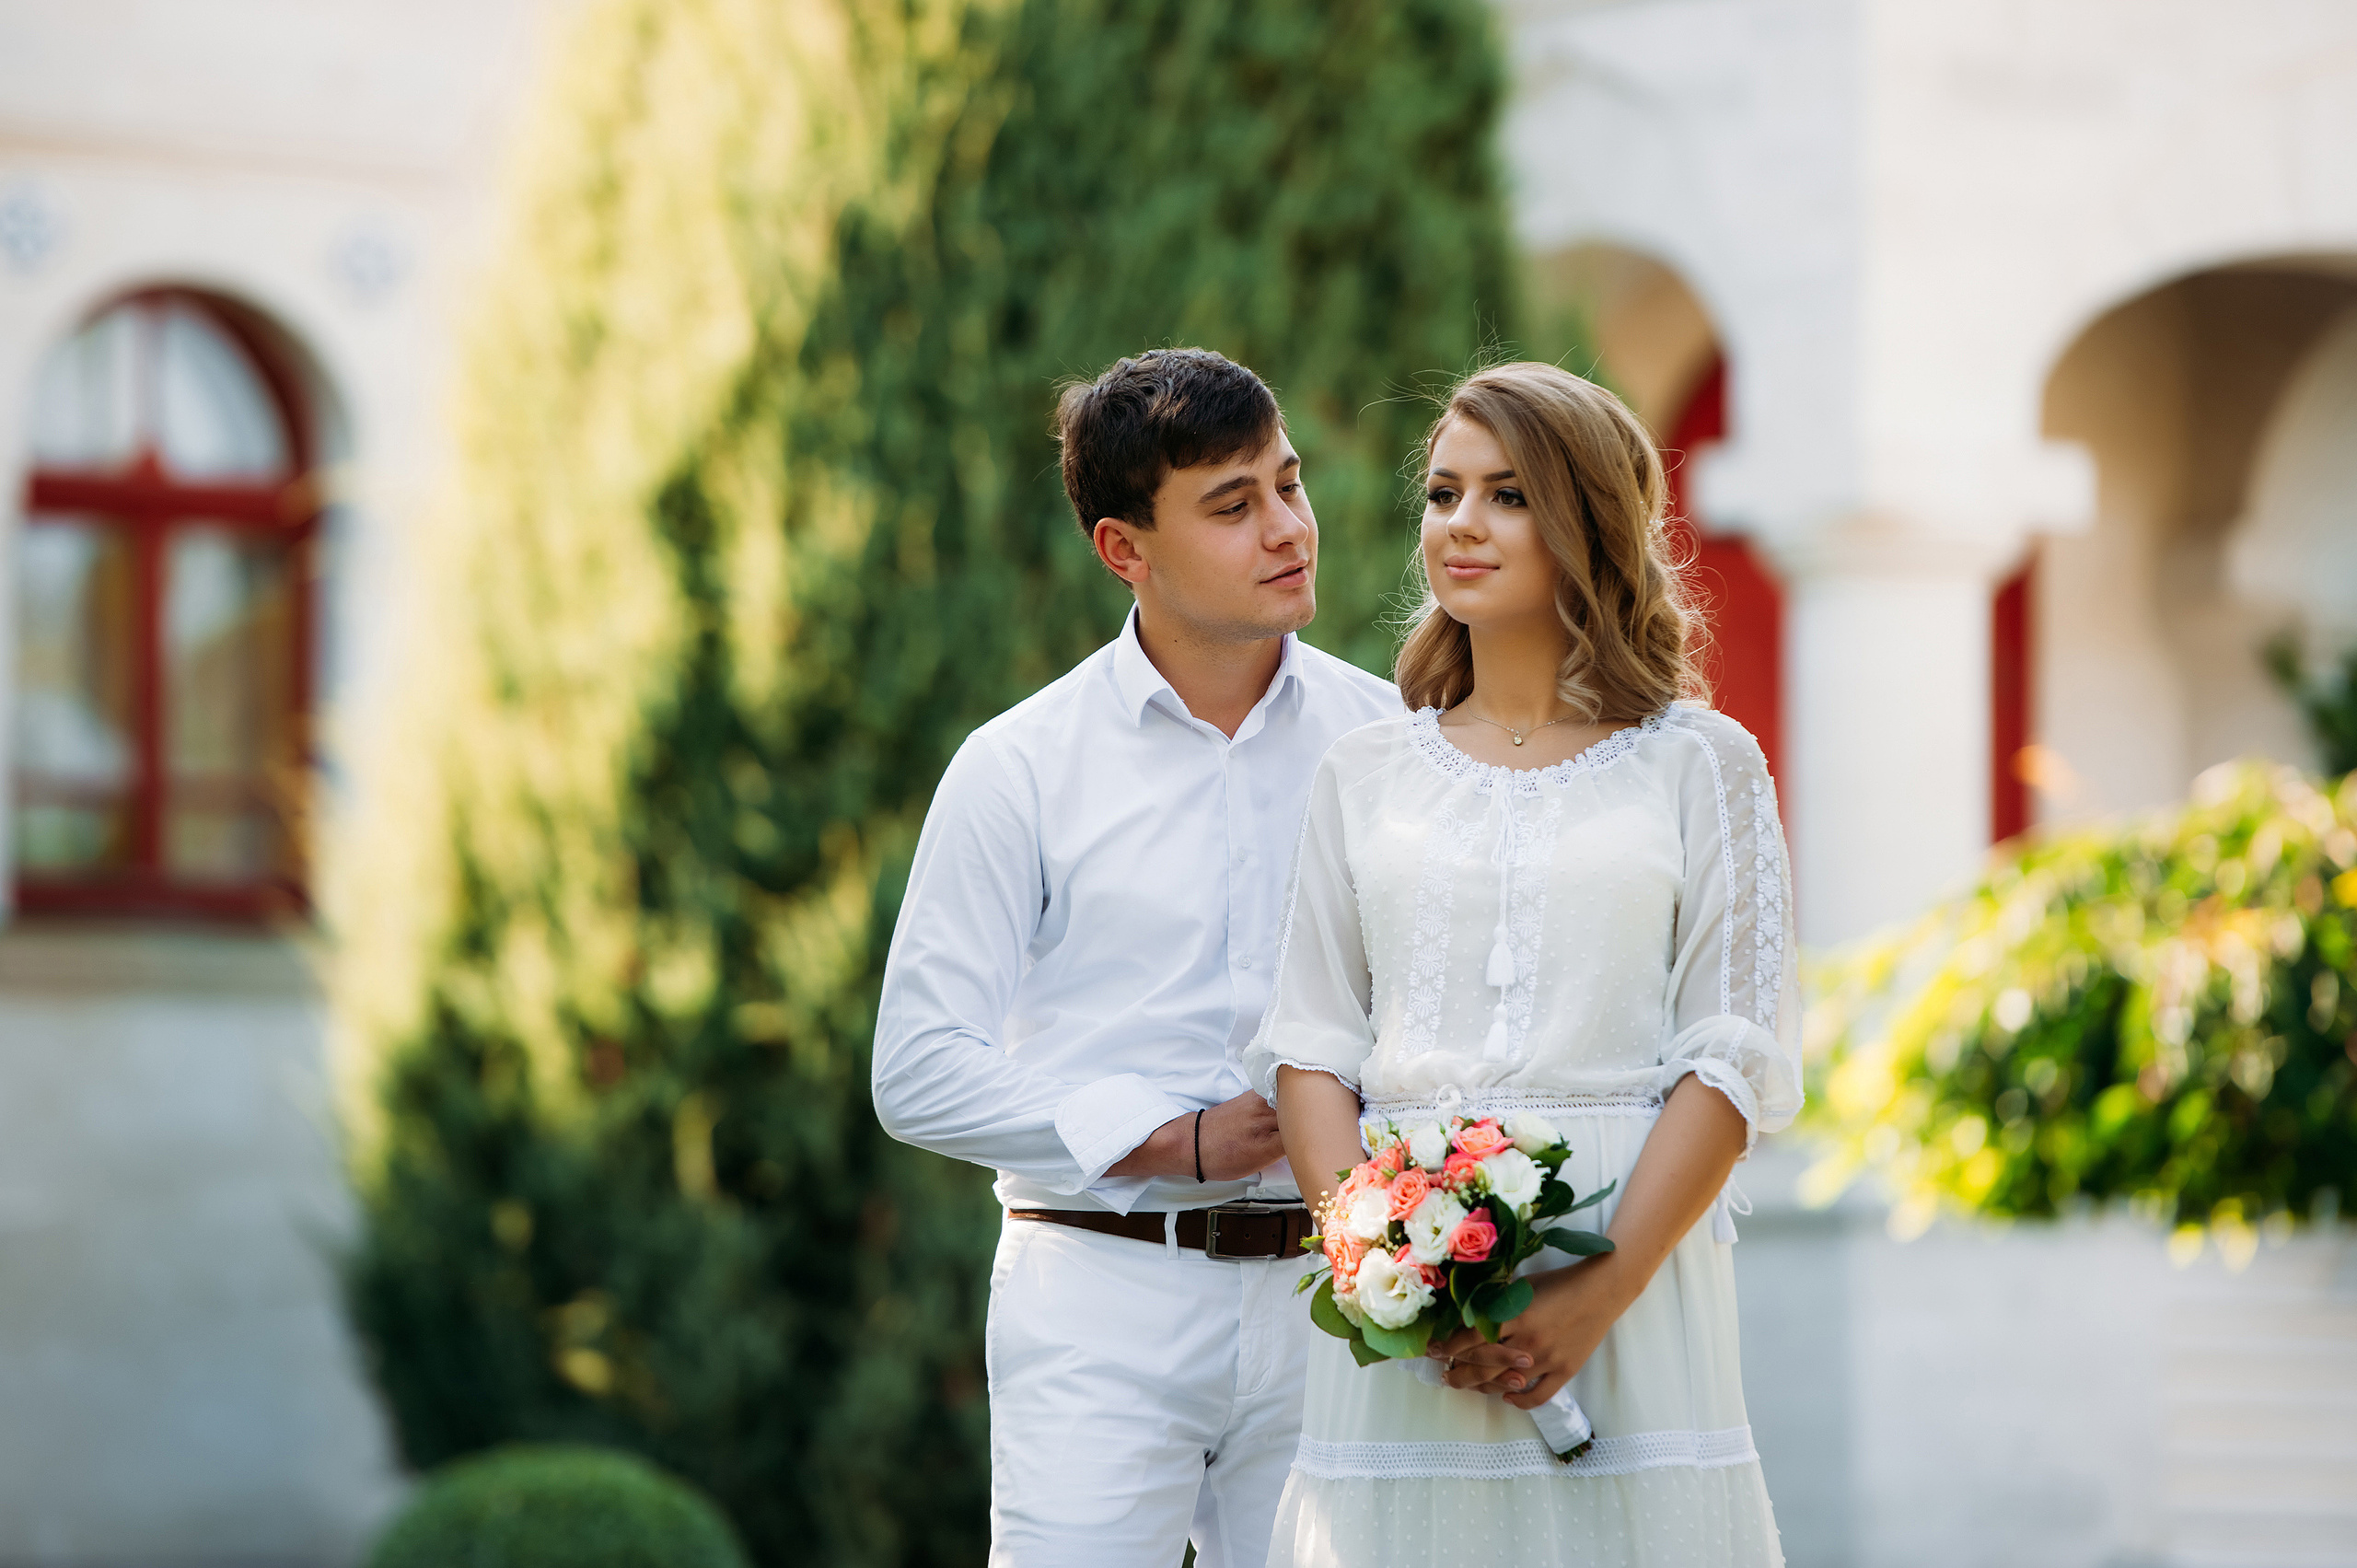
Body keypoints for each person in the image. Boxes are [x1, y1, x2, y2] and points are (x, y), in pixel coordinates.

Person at [1240, 361, 1797, 1566]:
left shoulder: (1702, 765)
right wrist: (1376, 1265)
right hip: (1405, 1319)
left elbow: (1733, 1054)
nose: (1460, 526)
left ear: (1587, 519)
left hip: (1628, 1265)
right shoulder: (1364, 774)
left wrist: (1598, 1296)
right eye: (1443, 494)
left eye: (1507, 495)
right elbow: (1313, 1045)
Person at [871, 347, 1400, 1568]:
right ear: (1124, 549)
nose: (1289, 529)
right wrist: (1171, 1137)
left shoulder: (1389, 744)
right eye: (1233, 505)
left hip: (1336, 1302)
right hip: (1099, 1293)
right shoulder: (1018, 767)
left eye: (1288, 484)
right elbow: (919, 1071)